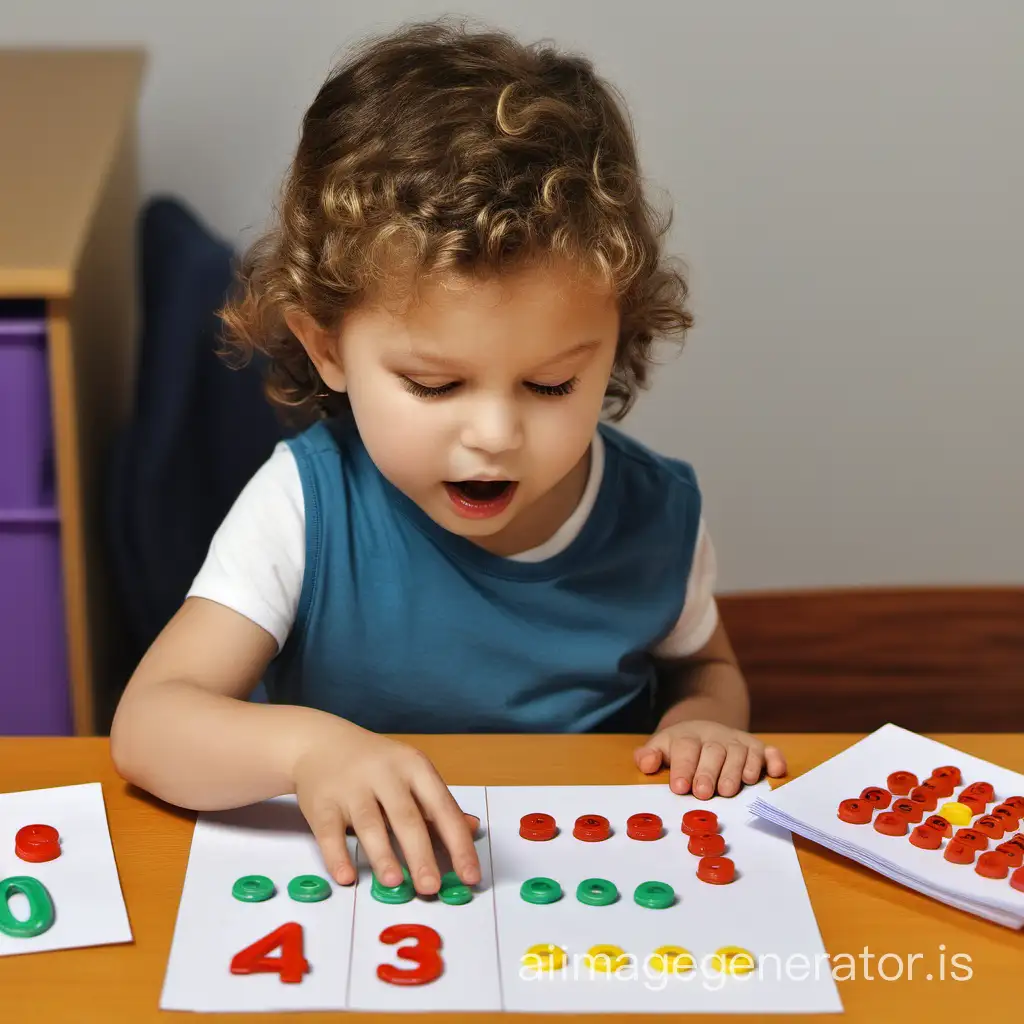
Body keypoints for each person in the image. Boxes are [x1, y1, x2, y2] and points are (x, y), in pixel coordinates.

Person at [110, 19, 786, 899]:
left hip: (582, 894)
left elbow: (706, 668)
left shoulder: (656, 515)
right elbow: (149, 724)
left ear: (615, 341)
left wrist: (707, 724)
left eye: (550, 386)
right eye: (434, 386)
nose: (497, 435)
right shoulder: (306, 508)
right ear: (328, 350)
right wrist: (311, 750)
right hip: (362, 897)